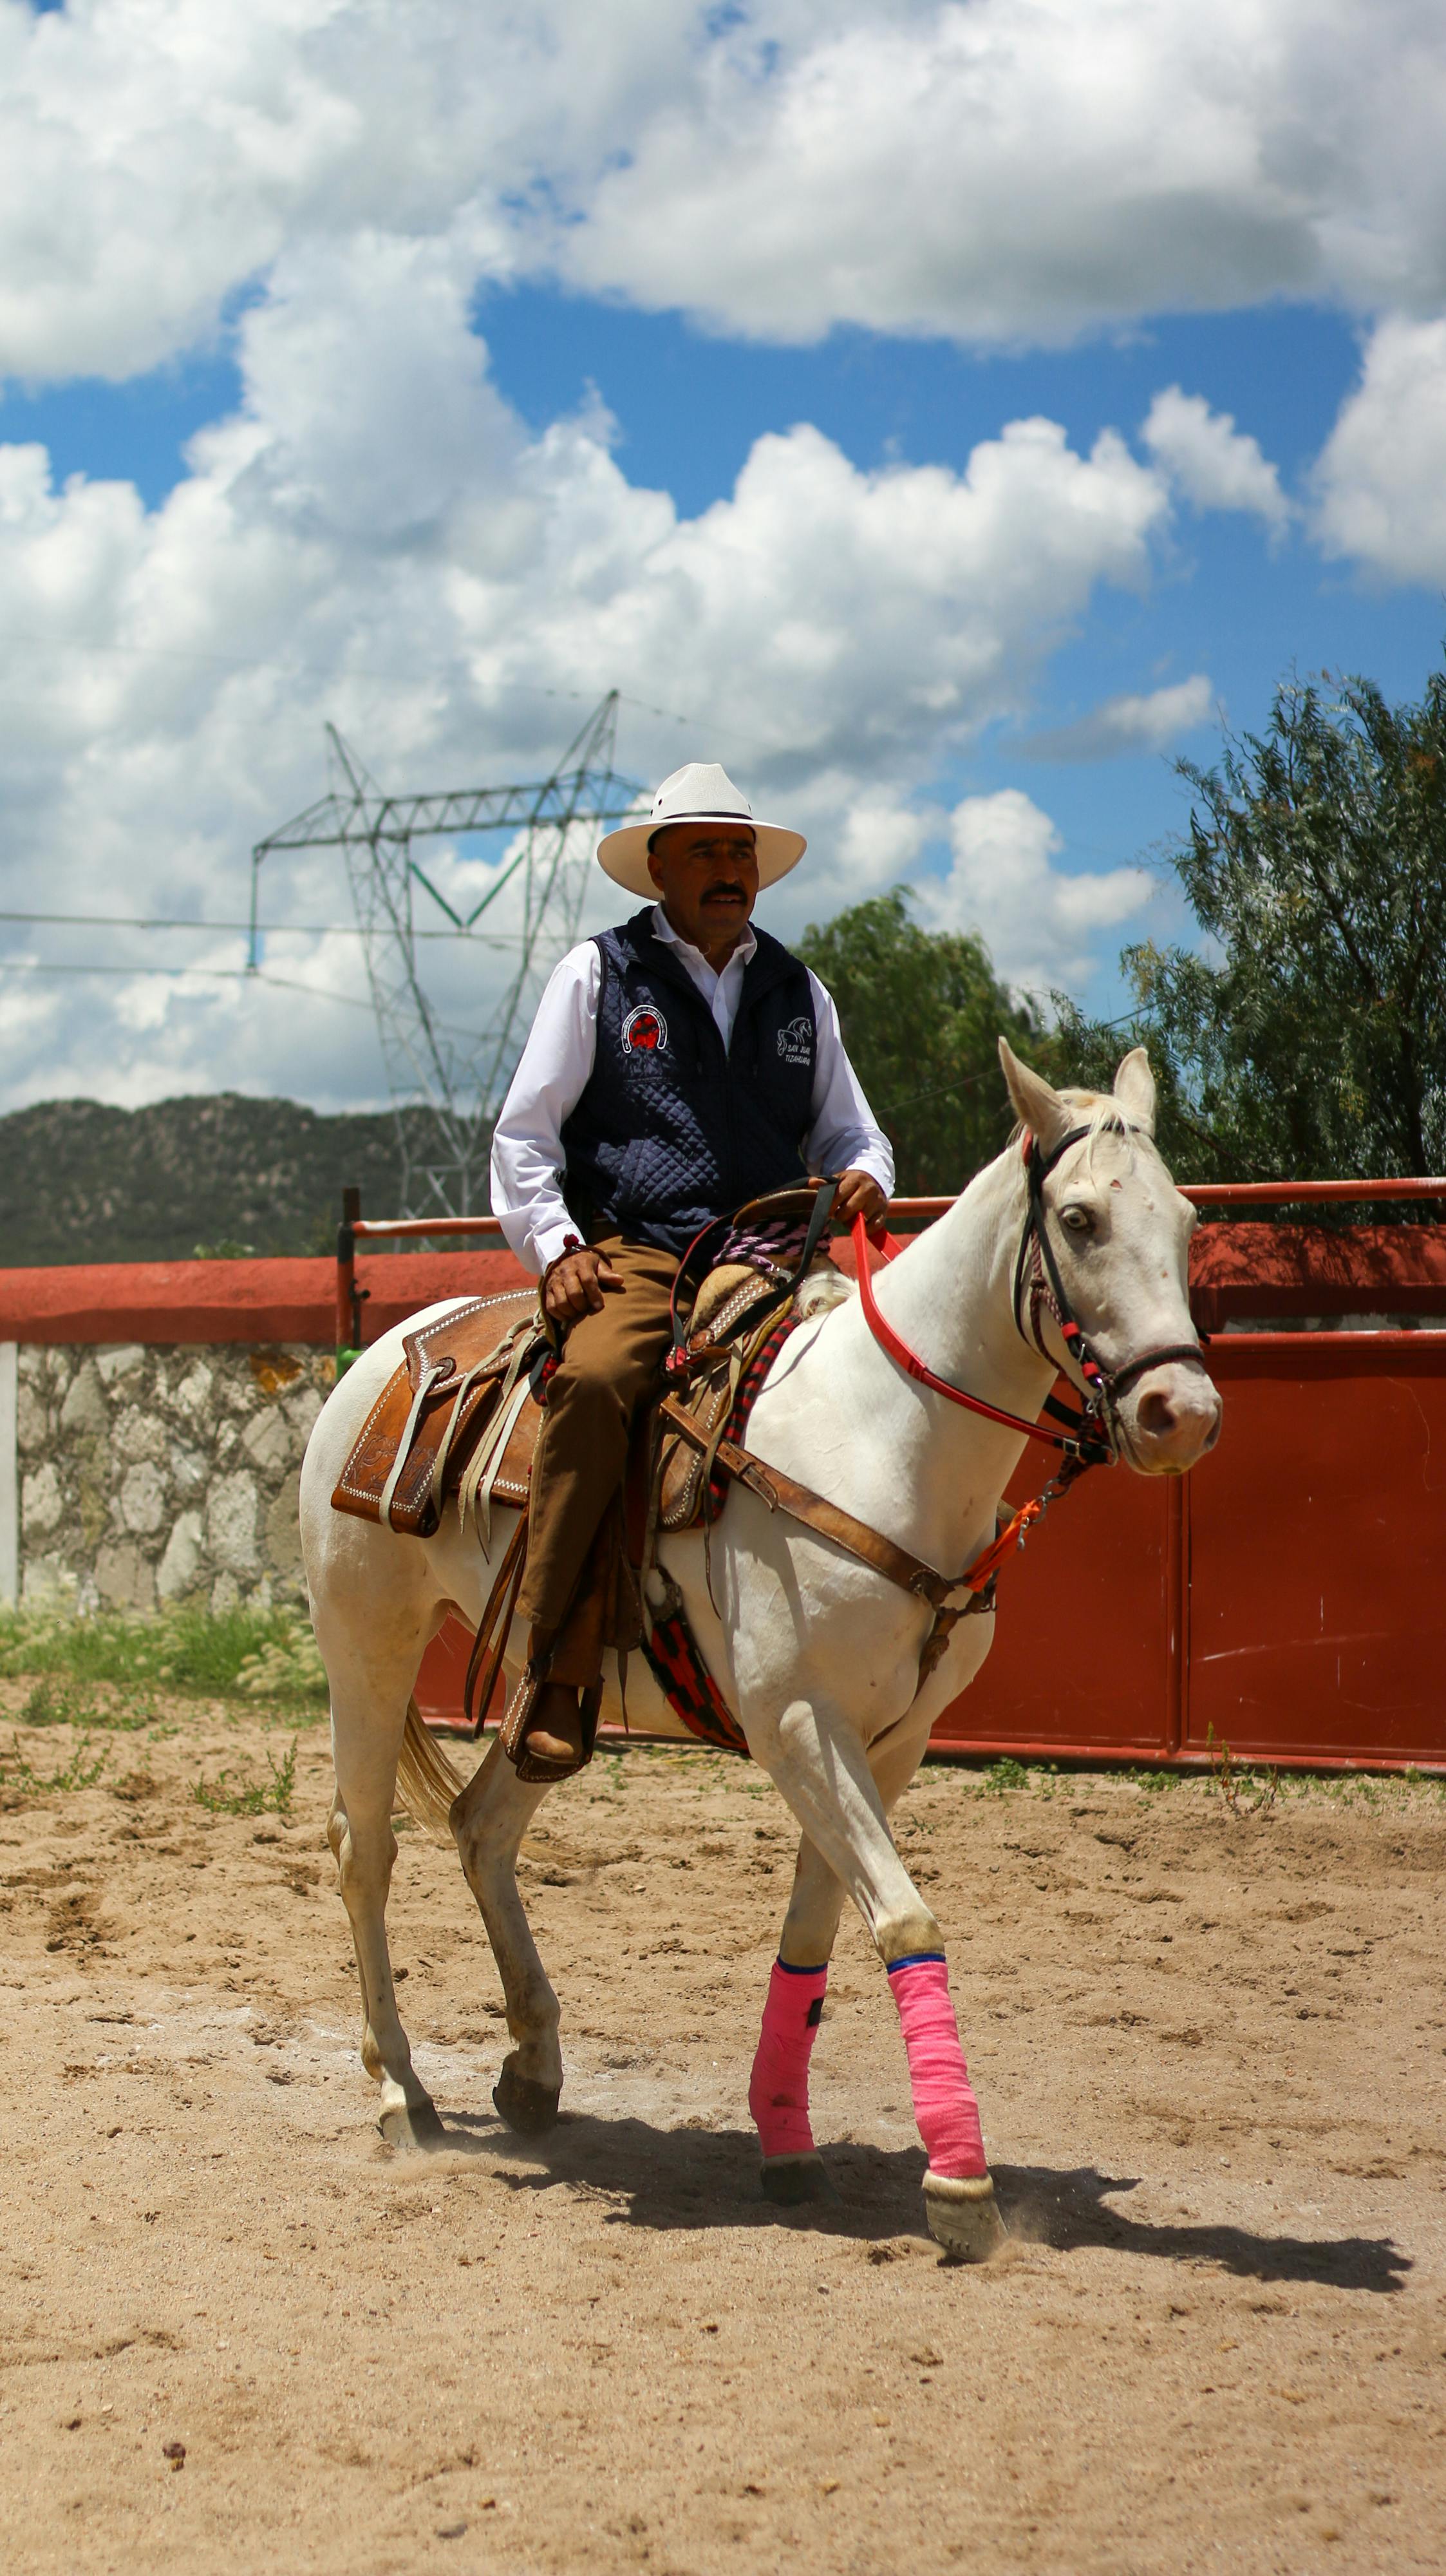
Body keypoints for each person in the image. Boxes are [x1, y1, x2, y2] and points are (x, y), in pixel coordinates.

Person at [489, 761, 894, 1774]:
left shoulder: (798, 988)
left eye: (740, 852)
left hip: (770, 1253)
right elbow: (524, 1137)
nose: (729, 869)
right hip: (640, 1247)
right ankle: (559, 1665)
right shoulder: (598, 974)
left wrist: (864, 1178)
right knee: (594, 1382)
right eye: (707, 851)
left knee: (885, 1376)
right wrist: (557, 1252)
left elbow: (853, 1131)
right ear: (656, 870)